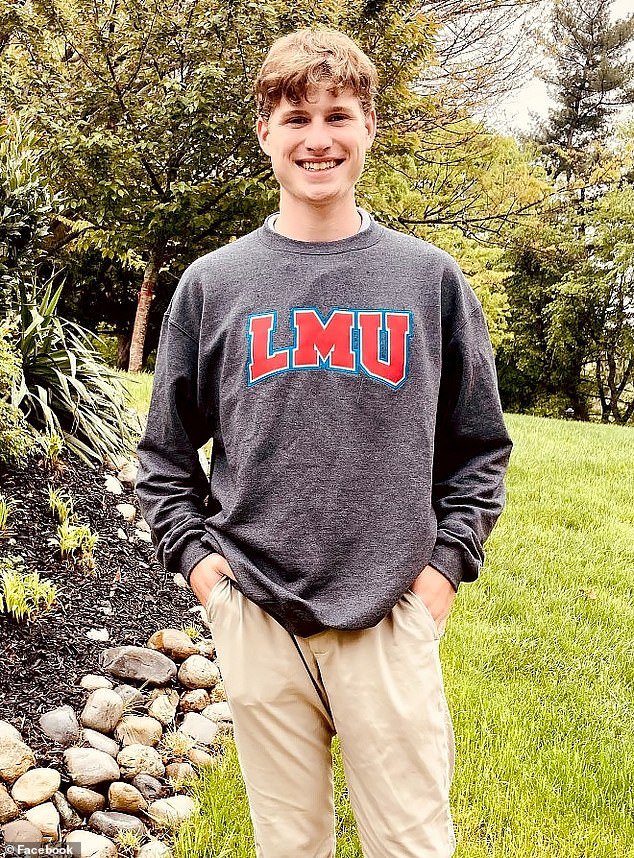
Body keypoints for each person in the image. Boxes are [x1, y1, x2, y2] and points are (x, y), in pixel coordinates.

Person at [136, 27, 513, 858]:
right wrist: (207, 577)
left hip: (392, 614)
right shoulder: (214, 284)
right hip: (256, 613)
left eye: (338, 116)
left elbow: (480, 446)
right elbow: (164, 456)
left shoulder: (428, 280)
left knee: (412, 844)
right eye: (296, 117)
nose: (318, 139)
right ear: (264, 132)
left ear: (369, 126)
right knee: (289, 845)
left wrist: (442, 572)